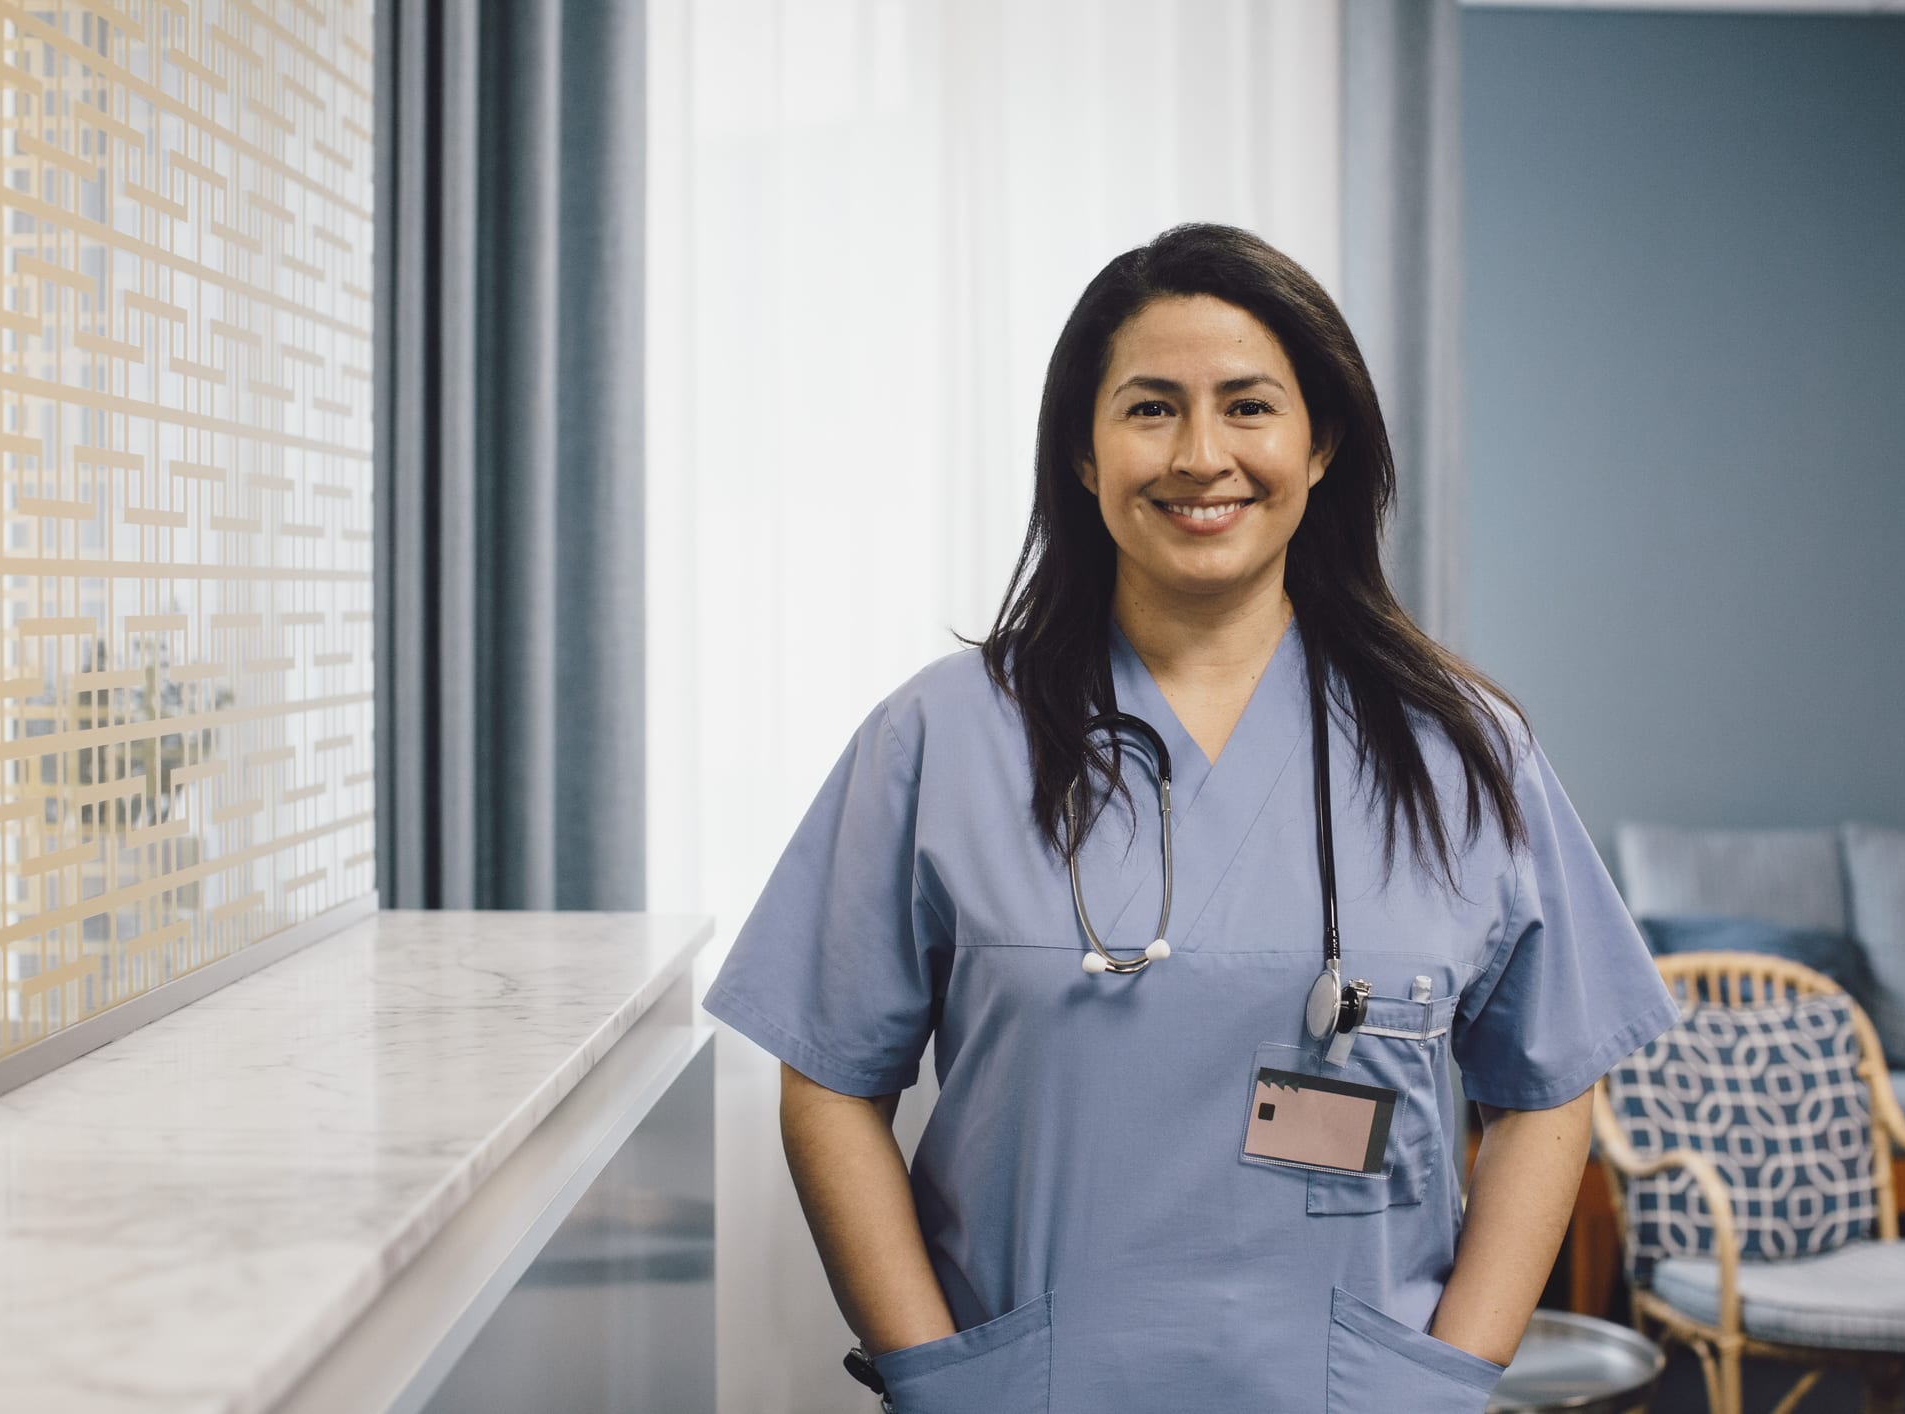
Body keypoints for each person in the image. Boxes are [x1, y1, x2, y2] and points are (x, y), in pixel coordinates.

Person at [703, 223, 1679, 1413]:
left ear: (1321, 444)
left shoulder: (1463, 751)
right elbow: (830, 1081)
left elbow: (1548, 1084)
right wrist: (937, 1375)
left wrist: (1449, 1375)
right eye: (1151, 408)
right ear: (1082, 448)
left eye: (1250, 406)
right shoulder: (939, 738)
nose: (1201, 455)